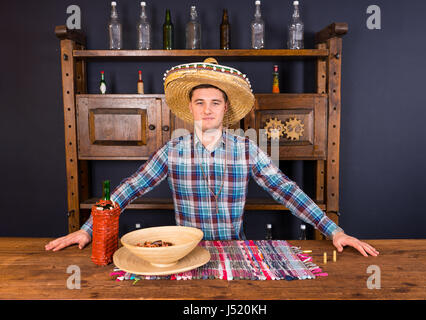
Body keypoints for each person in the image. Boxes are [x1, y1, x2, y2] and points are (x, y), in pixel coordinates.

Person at [46, 58, 379, 257]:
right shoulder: (172, 150)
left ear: (226, 109)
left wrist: (333, 230)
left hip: (235, 251)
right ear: (190, 107)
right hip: (182, 253)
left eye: (215, 102)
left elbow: (286, 190)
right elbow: (130, 188)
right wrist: (90, 229)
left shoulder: (246, 148)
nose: (207, 109)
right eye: (200, 102)